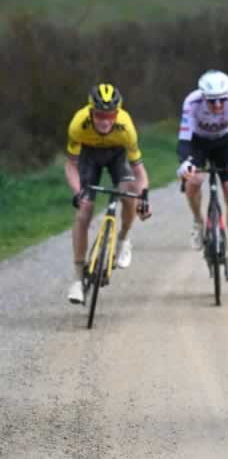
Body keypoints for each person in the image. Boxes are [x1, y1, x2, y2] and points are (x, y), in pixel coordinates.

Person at [65, 83, 151, 304]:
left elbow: (139, 171)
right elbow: (71, 165)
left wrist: (144, 196)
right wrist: (78, 192)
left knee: (128, 193)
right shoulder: (78, 124)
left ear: (117, 113)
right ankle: (77, 279)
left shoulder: (126, 127)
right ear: (92, 112)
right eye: (100, 115)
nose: (105, 121)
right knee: (84, 210)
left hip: (117, 156)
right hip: (89, 156)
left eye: (110, 115)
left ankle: (123, 239)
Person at [176, 70, 228, 280]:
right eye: (212, 101)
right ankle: (198, 221)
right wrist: (185, 162)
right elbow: (184, 137)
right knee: (194, 180)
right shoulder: (192, 101)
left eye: (221, 100)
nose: (217, 105)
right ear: (204, 97)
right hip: (198, 143)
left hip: (226, 144)